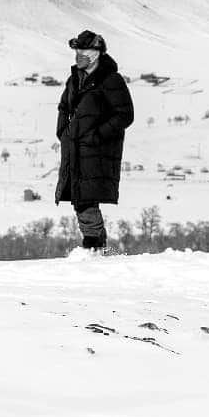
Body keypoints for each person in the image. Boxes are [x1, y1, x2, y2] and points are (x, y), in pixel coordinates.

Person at [55, 30, 134, 252]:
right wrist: (63, 133)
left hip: (97, 151)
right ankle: (96, 247)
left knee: (86, 200)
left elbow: (125, 115)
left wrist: (97, 136)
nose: (80, 54)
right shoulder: (74, 79)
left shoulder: (111, 80)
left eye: (85, 50)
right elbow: (63, 107)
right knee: (79, 199)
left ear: (98, 53)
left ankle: (94, 247)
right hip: (75, 148)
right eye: (77, 50)